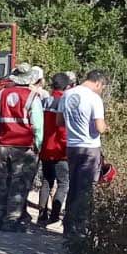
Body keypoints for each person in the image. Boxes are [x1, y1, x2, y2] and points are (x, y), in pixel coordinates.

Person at [0, 64, 44, 232]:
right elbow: (37, 126)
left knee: (2, 182)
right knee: (19, 185)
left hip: (2, 145)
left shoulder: (0, 96)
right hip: (24, 147)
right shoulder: (32, 98)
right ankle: (12, 221)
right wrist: (38, 145)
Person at [58, 70, 108, 235]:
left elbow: (59, 121)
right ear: (98, 83)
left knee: (73, 185)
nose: (101, 91)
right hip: (89, 147)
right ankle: (79, 228)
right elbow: (100, 127)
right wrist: (107, 128)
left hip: (72, 146)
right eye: (102, 88)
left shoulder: (66, 95)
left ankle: (68, 224)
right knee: (85, 189)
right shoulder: (94, 98)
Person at [37, 72, 71, 226]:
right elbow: (63, 130)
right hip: (59, 151)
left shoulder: (44, 101)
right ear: (67, 86)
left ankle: (42, 214)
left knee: (46, 181)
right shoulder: (64, 102)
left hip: (44, 148)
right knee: (63, 183)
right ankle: (55, 216)